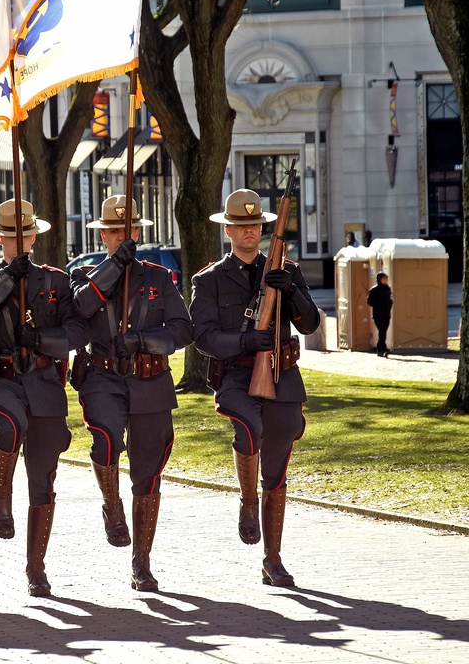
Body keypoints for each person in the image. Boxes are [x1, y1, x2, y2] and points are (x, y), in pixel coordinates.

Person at [189, 188, 320, 588]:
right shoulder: (208, 279)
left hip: (281, 376)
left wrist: (292, 290)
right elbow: (203, 336)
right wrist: (245, 342)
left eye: (256, 225)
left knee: (278, 465)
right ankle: (248, 501)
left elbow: (310, 324)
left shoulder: (287, 270)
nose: (250, 231)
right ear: (228, 230)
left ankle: (273, 559)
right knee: (248, 430)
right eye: (241, 225)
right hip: (237, 378)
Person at [0, 199, 87, 597]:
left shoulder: (54, 281)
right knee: (10, 425)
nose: (18, 242)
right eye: (10, 236)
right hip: (0, 379)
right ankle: (2, 492)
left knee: (44, 480)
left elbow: (76, 333)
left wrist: (42, 340)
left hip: (43, 382)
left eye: (24, 235)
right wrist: (5, 279)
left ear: (33, 236)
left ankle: (36, 568)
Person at [70, 196, 193, 591]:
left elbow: (182, 330)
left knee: (149, 470)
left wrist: (142, 339)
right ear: (103, 234)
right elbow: (83, 305)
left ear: (138, 233)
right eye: (115, 232)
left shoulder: (158, 278)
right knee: (105, 441)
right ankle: (111, 504)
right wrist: (113, 267)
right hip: (103, 377)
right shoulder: (86, 276)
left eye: (130, 231)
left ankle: (142, 562)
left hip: (149, 379)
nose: (124, 237)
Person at [366, 272, 393, 357]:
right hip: (378, 314)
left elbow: (390, 299)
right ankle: (382, 349)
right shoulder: (374, 290)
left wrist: (389, 304)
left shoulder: (387, 289)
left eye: (386, 279)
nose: (385, 281)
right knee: (382, 331)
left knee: (383, 331)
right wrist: (378, 305)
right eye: (384, 279)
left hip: (386, 314)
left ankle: (380, 348)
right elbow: (369, 301)